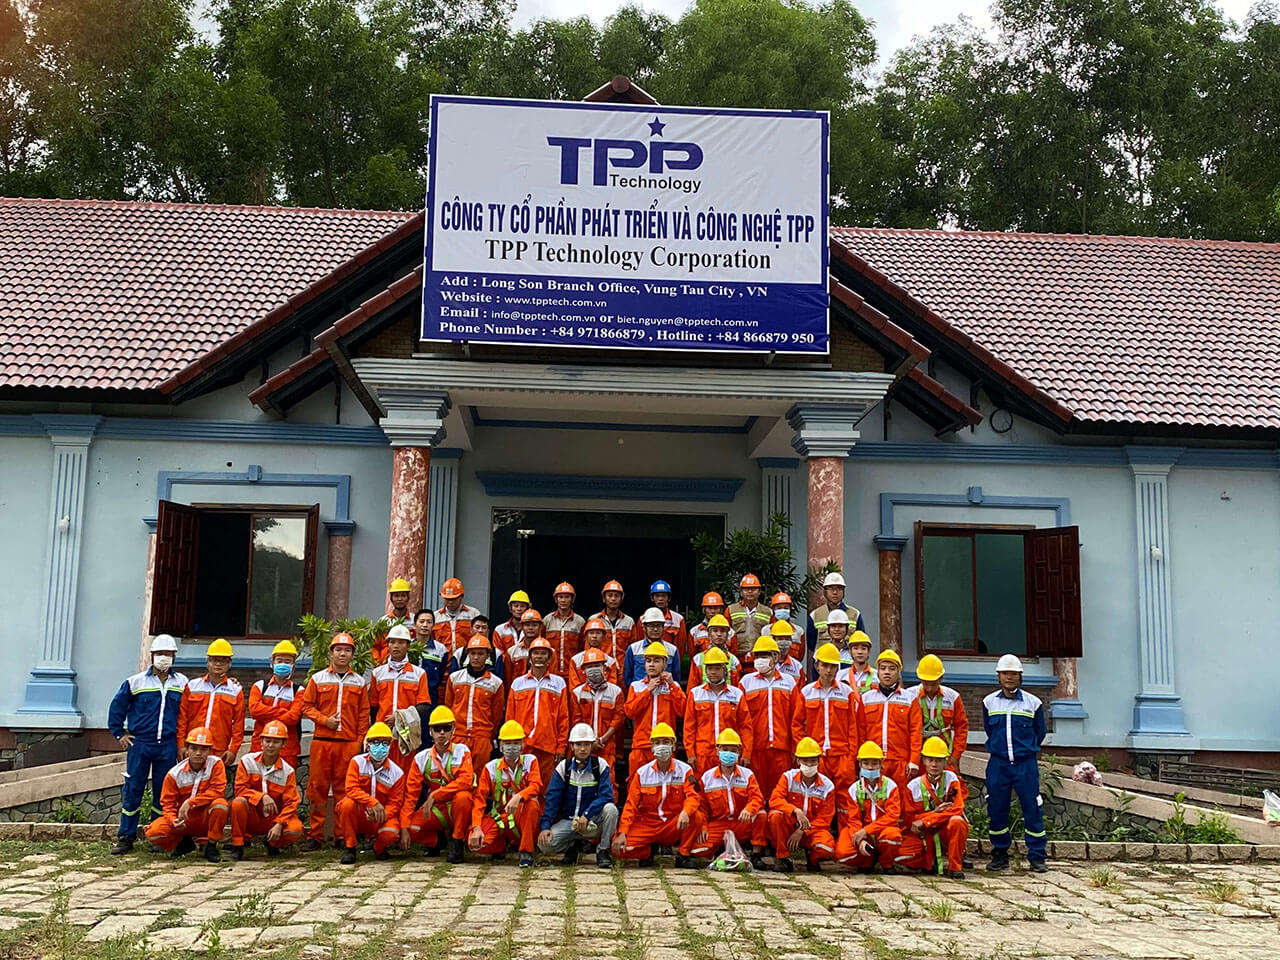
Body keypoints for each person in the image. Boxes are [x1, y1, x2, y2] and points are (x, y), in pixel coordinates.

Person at [108, 634, 187, 854]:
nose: (164, 657)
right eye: (160, 653)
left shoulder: (182, 683)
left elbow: (188, 712)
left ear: (174, 656)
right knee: (133, 788)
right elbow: (117, 707)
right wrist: (118, 733)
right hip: (140, 743)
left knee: (164, 792)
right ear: (152, 655)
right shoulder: (135, 682)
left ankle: (157, 836)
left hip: (168, 745)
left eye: (168, 654)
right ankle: (126, 837)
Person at [299, 632, 370, 850]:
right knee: (317, 789)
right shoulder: (318, 679)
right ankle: (316, 836)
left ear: (352, 655)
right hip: (322, 741)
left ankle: (341, 835)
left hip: (348, 744)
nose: (342, 654)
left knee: (344, 790)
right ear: (331, 653)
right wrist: (324, 720)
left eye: (347, 650)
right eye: (338, 649)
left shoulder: (359, 682)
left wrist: (359, 742)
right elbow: (306, 706)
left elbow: (363, 714)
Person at [983, 654, 1048, 873]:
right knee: (996, 808)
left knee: (1032, 807)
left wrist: (1024, 750)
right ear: (998, 676)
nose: (1009, 678)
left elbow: (1040, 733)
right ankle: (1000, 854)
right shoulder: (989, 702)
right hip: (998, 764)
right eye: (1005, 673)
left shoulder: (1033, 703)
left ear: (1020, 676)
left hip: (1025, 764)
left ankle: (1037, 856)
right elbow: (989, 730)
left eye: (1013, 674)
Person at [611, 723, 703, 867]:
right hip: (648, 824)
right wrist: (622, 832)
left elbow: (693, 796)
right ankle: (648, 850)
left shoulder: (685, 770)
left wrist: (686, 812)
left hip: (673, 824)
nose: (662, 746)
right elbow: (631, 805)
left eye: (666, 742)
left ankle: (683, 855)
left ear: (673, 746)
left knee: (696, 817)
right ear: (652, 746)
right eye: (658, 742)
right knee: (618, 849)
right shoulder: (642, 773)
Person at [538, 723, 619, 868]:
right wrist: (545, 826)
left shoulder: (600, 765)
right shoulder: (563, 767)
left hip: (592, 821)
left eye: (586, 744)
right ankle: (573, 846)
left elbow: (607, 796)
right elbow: (552, 799)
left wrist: (587, 815)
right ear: (571, 746)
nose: (582, 749)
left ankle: (603, 850)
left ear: (592, 745)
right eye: (578, 744)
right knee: (545, 844)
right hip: (569, 822)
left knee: (611, 810)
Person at [144, 726, 228, 863]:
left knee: (221, 806)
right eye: (194, 749)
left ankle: (210, 845)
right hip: (183, 819)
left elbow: (217, 791)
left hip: (204, 816)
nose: (198, 753)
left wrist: (191, 802)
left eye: (203, 749)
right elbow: (168, 804)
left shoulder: (216, 765)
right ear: (187, 749)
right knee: (153, 833)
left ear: (209, 751)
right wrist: (173, 821)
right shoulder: (174, 774)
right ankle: (184, 841)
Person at [469, 720, 543, 868]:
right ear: (501, 745)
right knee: (475, 844)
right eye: (508, 743)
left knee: (533, 805)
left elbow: (536, 786)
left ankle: (526, 851)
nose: (512, 747)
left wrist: (519, 797)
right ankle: (501, 846)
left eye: (516, 743)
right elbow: (479, 800)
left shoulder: (530, 761)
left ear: (522, 744)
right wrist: (476, 827)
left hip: (522, 816)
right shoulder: (490, 768)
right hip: (500, 818)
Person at [404, 706, 474, 864]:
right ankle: (436, 841)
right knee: (411, 828)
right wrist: (403, 827)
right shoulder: (421, 758)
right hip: (438, 809)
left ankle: (457, 841)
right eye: (437, 729)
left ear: (453, 730)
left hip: (459, 807)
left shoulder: (462, 751)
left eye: (446, 728)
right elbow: (411, 796)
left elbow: (466, 781)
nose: (441, 733)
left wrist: (436, 795)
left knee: (463, 797)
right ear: (430, 731)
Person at [229, 720, 303, 859]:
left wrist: (279, 824)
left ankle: (272, 843)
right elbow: (240, 789)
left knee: (295, 830)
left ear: (283, 744)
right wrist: (262, 796)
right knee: (238, 803)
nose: (270, 745)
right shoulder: (247, 761)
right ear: (261, 741)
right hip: (252, 816)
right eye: (267, 741)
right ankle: (238, 845)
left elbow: (291, 803)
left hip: (273, 818)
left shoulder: (287, 771)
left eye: (276, 742)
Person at [689, 729, 764, 865]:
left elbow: (757, 798)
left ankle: (756, 854)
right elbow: (702, 807)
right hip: (719, 824)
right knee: (697, 850)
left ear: (739, 752)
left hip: (741, 823)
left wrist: (749, 809)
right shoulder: (707, 777)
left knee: (761, 815)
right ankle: (721, 849)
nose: (728, 753)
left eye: (733, 750)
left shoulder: (747, 775)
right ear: (717, 750)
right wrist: (703, 827)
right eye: (725, 749)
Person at [336, 722, 406, 865]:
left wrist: (382, 815)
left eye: (385, 742)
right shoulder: (357, 762)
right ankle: (350, 848)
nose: (380, 746)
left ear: (390, 746)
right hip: (360, 814)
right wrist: (373, 803)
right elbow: (351, 788)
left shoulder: (397, 773)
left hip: (381, 816)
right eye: (376, 742)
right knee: (346, 805)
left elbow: (396, 802)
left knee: (392, 832)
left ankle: (378, 848)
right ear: (367, 745)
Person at [792, 643, 860, 789]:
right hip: (816, 757)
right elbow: (796, 724)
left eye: (833, 666)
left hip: (842, 756)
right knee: (818, 796)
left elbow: (853, 727)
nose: (829, 670)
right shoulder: (807, 692)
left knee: (844, 799)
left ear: (837, 667)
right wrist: (804, 749)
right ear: (817, 666)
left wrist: (851, 757)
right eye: (825, 665)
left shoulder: (847, 692)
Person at [899, 737, 969, 878]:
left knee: (957, 821)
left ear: (945, 762)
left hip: (945, 830)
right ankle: (928, 862)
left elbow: (957, 809)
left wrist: (927, 820)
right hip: (923, 834)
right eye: (930, 760)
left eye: (938, 760)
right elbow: (909, 820)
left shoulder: (951, 779)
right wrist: (933, 814)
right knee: (900, 856)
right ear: (923, 761)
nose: (934, 764)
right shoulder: (913, 786)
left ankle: (955, 867)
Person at [738, 636, 798, 799]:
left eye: (765, 655)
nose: (760, 660)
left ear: (776, 657)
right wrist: (745, 752)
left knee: (780, 796)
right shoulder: (746, 683)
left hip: (782, 749)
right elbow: (742, 721)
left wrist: (795, 747)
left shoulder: (789, 682)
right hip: (755, 750)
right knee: (757, 796)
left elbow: (796, 719)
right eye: (757, 656)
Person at [766, 737, 836, 873]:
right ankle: (782, 857)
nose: (809, 764)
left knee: (826, 848)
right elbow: (775, 799)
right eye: (805, 760)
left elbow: (825, 818)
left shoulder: (827, 786)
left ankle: (812, 859)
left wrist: (803, 830)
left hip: (813, 829)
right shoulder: (788, 777)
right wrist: (795, 811)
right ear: (798, 761)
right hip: (790, 826)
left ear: (819, 761)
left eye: (813, 760)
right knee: (775, 816)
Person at [506, 637, 569, 786]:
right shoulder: (518, 683)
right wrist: (510, 743)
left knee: (546, 789)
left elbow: (563, 717)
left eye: (543, 653)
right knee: (521, 787)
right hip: (522, 745)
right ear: (530, 657)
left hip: (547, 746)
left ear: (549, 658)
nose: (539, 656)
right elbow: (510, 718)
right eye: (536, 653)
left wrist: (561, 746)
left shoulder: (558, 683)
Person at [857, 650, 922, 788]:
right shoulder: (866, 698)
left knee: (902, 798)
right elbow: (860, 732)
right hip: (874, 761)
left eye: (892, 669)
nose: (887, 672)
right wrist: (862, 759)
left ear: (898, 672)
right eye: (883, 668)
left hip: (901, 762)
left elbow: (916, 732)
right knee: (874, 796)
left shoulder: (910, 699)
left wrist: (914, 760)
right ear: (878, 672)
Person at [176, 639, 244, 768]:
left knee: (215, 779)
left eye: (223, 660)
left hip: (219, 749)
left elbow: (238, 725)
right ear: (207, 662)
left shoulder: (235, 690)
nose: (218, 664)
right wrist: (181, 745)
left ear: (229, 663)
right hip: (192, 746)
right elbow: (182, 718)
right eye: (214, 660)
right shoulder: (192, 686)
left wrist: (233, 749)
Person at [834, 742, 902, 872]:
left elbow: (892, 816)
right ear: (860, 764)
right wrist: (860, 839)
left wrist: (867, 830)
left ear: (881, 764)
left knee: (892, 837)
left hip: (884, 830)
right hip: (862, 831)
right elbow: (853, 820)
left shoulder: (890, 786)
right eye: (866, 763)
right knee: (842, 854)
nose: (870, 767)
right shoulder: (854, 789)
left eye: (875, 763)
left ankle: (887, 864)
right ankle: (867, 861)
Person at [370, 624, 431, 769]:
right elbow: (373, 706)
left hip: (407, 735)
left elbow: (424, 705)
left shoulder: (418, 674)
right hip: (382, 734)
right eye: (392, 642)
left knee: (405, 773)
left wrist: (399, 718)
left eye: (401, 642)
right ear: (388, 645)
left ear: (408, 645)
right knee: (381, 773)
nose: (396, 646)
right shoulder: (377, 673)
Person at [684, 647, 753, 774]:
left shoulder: (736, 694)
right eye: (710, 668)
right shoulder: (696, 694)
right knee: (703, 785)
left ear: (725, 670)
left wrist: (746, 753)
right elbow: (689, 727)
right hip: (703, 753)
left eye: (717, 668)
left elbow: (745, 726)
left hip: (729, 752)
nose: (713, 672)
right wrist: (690, 753)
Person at [623, 642, 686, 776]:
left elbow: (682, 711)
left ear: (665, 664)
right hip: (641, 745)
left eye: (656, 661)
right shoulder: (636, 686)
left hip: (665, 744)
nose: (651, 664)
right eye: (648, 661)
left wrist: (672, 685)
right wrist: (648, 691)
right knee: (636, 781)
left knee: (665, 781)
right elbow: (630, 712)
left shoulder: (673, 686)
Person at [443, 635, 506, 762]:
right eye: (473, 653)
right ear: (468, 655)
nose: (476, 657)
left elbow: (497, 715)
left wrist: (487, 734)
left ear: (487, 656)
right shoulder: (455, 678)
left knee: (480, 773)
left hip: (482, 737)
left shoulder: (496, 683)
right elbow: (448, 706)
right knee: (455, 770)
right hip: (457, 735)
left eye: (480, 653)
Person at [248, 640, 304, 769]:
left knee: (285, 781)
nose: (283, 664)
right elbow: (254, 711)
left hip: (287, 750)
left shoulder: (299, 691)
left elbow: (293, 718)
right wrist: (282, 712)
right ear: (272, 663)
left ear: (293, 666)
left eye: (287, 661)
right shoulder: (260, 686)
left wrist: (266, 713)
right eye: (279, 660)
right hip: (259, 747)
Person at [906, 654, 968, 771]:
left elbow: (961, 727)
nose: (929, 688)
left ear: (941, 678)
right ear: (920, 679)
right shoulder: (909, 696)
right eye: (926, 683)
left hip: (944, 756)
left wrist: (956, 755)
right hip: (917, 756)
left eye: (933, 683)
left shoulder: (953, 697)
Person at [568, 648, 624, 768]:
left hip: (606, 747)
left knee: (607, 777)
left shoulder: (616, 692)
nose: (593, 669)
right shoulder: (577, 693)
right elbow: (576, 720)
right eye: (590, 666)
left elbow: (618, 719)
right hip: (583, 748)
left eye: (597, 665)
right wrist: (588, 743)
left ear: (604, 667)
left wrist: (603, 739)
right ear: (584, 670)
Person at [805, 573, 866, 679]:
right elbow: (811, 643)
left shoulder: (855, 614)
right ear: (824, 591)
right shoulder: (815, 615)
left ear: (843, 591)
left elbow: (861, 639)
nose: (835, 592)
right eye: (831, 589)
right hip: (824, 666)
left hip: (848, 665)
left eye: (839, 588)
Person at [623, 607, 682, 686]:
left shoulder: (672, 650)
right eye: (651, 626)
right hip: (640, 692)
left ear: (663, 627)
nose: (655, 629)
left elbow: (676, 678)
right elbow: (627, 677)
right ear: (644, 628)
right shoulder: (633, 649)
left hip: (664, 692)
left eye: (658, 625)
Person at [631, 580, 688, 659]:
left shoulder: (678, 619)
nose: (660, 599)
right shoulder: (643, 619)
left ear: (669, 598)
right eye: (657, 596)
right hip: (649, 660)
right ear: (652, 598)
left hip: (669, 659)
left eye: (664, 596)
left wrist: (675, 662)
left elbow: (681, 647)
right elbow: (640, 643)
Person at [687, 614, 743, 688]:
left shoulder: (734, 661)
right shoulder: (698, 659)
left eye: (723, 631)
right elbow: (692, 688)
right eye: (715, 631)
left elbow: (737, 689)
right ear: (709, 634)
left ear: (727, 635)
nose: (719, 634)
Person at [544, 581, 585, 677]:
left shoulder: (580, 622)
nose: (563, 600)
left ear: (572, 599)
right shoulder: (547, 620)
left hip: (572, 673)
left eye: (567, 597)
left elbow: (582, 648)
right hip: (551, 672)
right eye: (560, 597)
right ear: (556, 599)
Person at [726, 573, 770, 659]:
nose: (750, 591)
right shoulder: (731, 610)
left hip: (760, 657)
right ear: (741, 592)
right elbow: (725, 634)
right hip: (737, 658)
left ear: (759, 591)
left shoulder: (768, 612)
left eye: (753, 589)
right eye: (746, 589)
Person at [568, 618, 620, 690]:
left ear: (604, 637)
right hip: (583, 696)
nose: (594, 636)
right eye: (591, 633)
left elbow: (612, 688)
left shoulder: (610, 662)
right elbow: (574, 688)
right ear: (585, 636)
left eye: (598, 633)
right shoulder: (575, 660)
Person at [434, 578, 482, 653]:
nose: (450, 602)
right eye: (447, 599)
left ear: (461, 596)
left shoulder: (473, 614)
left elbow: (481, 639)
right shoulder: (436, 617)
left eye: (454, 599)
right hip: (443, 658)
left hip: (467, 658)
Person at [414, 608, 451, 706]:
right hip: (409, 695)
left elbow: (441, 675)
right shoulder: (407, 646)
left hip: (430, 697)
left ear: (433, 625)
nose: (425, 625)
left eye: (429, 622)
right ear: (415, 624)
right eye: (421, 621)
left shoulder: (441, 650)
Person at [593, 580, 635, 663]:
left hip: (623, 667)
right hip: (602, 666)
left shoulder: (629, 622)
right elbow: (588, 648)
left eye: (617, 596)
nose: (613, 599)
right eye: (610, 595)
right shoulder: (594, 620)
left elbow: (634, 648)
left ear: (621, 599)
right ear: (604, 598)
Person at [503, 608, 544, 686]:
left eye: (534, 625)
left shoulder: (549, 651)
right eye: (527, 625)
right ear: (521, 627)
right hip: (519, 692)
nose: (530, 628)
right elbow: (508, 681)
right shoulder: (512, 652)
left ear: (540, 627)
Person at [835, 624, 875, 695]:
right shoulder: (841, 676)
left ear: (868, 652)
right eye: (856, 648)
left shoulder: (877, 676)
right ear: (850, 651)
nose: (860, 652)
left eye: (863, 648)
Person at [493, 590, 531, 658]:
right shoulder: (500, 630)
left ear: (527, 609)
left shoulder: (534, 630)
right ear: (510, 608)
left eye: (522, 606)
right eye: (516, 606)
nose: (519, 609)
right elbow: (499, 657)